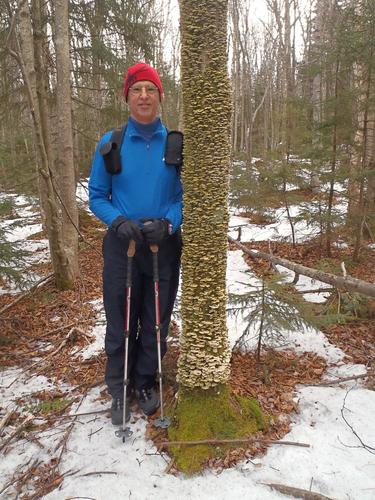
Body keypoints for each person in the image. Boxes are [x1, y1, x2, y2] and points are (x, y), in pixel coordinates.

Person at [88, 62, 182, 425]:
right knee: (120, 317)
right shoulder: (111, 143)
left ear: (160, 96)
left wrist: (170, 222)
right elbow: (97, 195)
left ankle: (144, 382)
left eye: (151, 89)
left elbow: (185, 196)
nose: (144, 96)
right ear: (126, 96)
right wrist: (119, 221)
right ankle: (119, 386)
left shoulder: (174, 144)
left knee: (155, 317)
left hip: (162, 244)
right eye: (137, 90)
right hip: (122, 245)